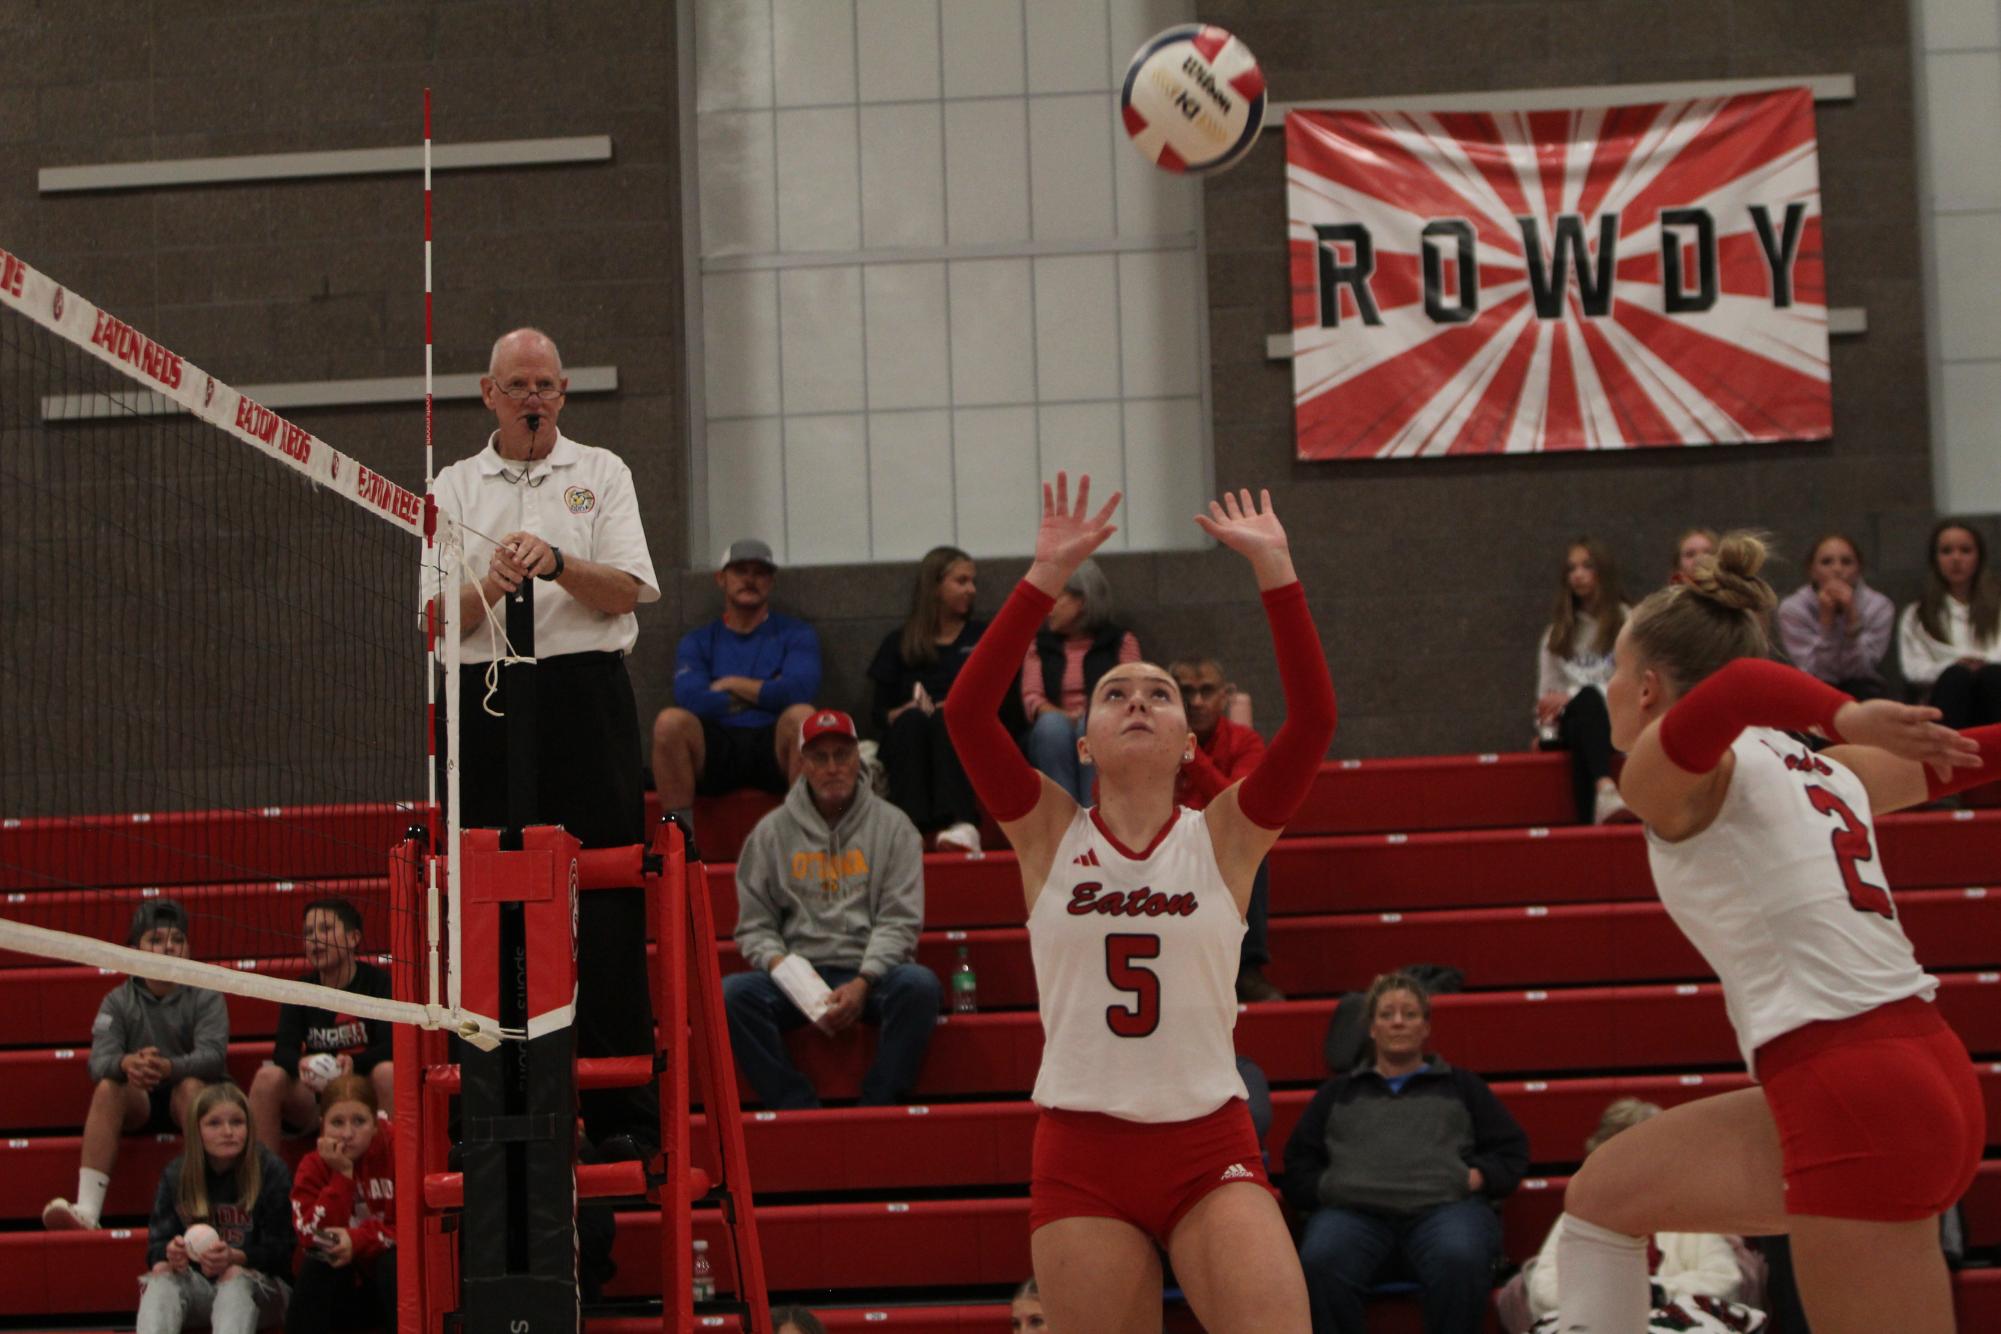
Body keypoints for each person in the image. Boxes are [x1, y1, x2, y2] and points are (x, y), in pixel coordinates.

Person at [1553, 532, 1996, 1334]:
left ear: (1648, 689)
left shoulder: (1664, 773)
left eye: (1616, 670)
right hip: (1913, 1070)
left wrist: (1845, 709)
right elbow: (1963, 756)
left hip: (1851, 1083)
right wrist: (1842, 725)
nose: (1608, 689)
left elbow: (1738, 687)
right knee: (1603, 1196)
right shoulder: (1821, 767)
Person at [943, 474, 1338, 1332]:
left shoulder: (1225, 836)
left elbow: (1311, 723)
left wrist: (1276, 568)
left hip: (1208, 1143)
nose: (1136, 702)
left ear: (1187, 739)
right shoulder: (1048, 833)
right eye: (1115, 693)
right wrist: (1042, 575)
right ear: (1082, 739)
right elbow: (969, 715)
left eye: (1157, 694)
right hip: (1081, 1151)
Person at [432, 325, 662, 1151]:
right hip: (488, 697)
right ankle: (491, 1108)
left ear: (563, 394)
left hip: (582, 698)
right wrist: (484, 584)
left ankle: (621, 1116)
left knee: (602, 897)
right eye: (518, 385)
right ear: (488, 394)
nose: (534, 398)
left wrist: (559, 563)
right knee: (490, 898)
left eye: (547, 386)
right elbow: (431, 617)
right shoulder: (453, 485)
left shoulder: (601, 473)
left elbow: (631, 591)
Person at [1281, 971, 1530, 1334]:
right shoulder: (1337, 1094)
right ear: (1371, 1028)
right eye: (1387, 1014)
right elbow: (1298, 1165)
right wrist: (1329, 1187)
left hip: (1444, 1212)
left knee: (1460, 1258)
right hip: (1354, 1216)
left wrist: (1475, 1177)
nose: (1398, 1021)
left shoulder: (1462, 1086)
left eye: (1410, 1014)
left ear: (1426, 1027)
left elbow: (1511, 1151)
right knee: (1321, 1260)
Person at [723, 709, 940, 1108]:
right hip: (796, 976)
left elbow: (900, 919)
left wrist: (863, 982)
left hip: (871, 975)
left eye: (842, 755)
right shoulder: (770, 833)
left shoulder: (895, 828)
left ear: (859, 758)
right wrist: (788, 973)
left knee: (920, 986)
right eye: (820, 758)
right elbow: (755, 927)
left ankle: (879, 1103)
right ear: (802, 764)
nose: (833, 767)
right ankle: (795, 1104)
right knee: (732, 995)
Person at [44, 900, 229, 1232]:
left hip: (185, 1096)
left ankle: (204, 1207)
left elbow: (214, 1057)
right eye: (156, 939)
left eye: (176, 939)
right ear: (134, 949)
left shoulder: (205, 994)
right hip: (139, 1098)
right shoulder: (117, 1000)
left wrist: (168, 1067)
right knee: (108, 1087)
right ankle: (87, 1210)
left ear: (187, 948)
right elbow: (98, 1062)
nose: (168, 947)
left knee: (193, 1089)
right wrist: (127, 1062)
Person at [1522, 1099, 1756, 1332]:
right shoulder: (1579, 1215)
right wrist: (1616, 1297)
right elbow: (1544, 1290)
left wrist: (1657, 1291)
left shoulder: (1691, 1210)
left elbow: (1724, 1280)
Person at [653, 538, 822, 833]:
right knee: (669, 723)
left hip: (774, 745)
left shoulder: (797, 634)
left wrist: (729, 683)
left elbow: (798, 692)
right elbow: (691, 699)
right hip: (717, 747)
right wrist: (767, 690)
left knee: (802, 716)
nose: (749, 579)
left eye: (759, 572)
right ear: (721, 579)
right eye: (740, 571)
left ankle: (801, 837)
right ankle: (680, 842)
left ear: (770, 580)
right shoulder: (697, 640)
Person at [868, 545, 1004, 853]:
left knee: (947, 717)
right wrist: (899, 711)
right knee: (912, 720)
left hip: (966, 732)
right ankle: (909, 827)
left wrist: (960, 709)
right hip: (911, 733)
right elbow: (878, 712)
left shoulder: (982, 637)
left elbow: (1003, 700)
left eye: (973, 581)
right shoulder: (900, 641)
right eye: (961, 581)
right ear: (935, 586)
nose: (971, 590)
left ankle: (962, 823)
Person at [138, 1083, 294, 1334]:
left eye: (237, 1122)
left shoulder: (269, 1170)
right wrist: (171, 1253)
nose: (228, 1131)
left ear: (249, 1127)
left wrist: (237, 1257)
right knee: (160, 1278)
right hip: (200, 1287)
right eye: (214, 1123)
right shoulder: (177, 1174)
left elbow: (283, 1251)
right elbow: (156, 1247)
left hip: (262, 1291)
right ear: (196, 1130)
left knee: (234, 1277)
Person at [1170, 657, 1282, 1003]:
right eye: (1187, 692)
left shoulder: (1245, 741)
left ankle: (1246, 968)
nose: (1197, 701)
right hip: (1165, 841)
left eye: (1206, 691)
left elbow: (1239, 810)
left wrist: (1188, 754)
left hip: (1221, 842)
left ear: (1225, 696)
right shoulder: (1148, 738)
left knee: (1253, 848)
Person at [248, 899, 392, 1152]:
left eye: (325, 929)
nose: (315, 939)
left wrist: (354, 1064)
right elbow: (283, 1051)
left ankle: (393, 1176)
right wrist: (299, 1063)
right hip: (315, 1096)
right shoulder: (301, 989)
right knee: (268, 1078)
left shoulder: (378, 983)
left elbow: (391, 1047)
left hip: (362, 1090)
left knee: (387, 1072)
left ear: (353, 938)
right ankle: (265, 1184)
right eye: (308, 933)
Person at [1019, 557, 1141, 804]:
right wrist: (1064, 717)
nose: (1047, 607)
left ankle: (1095, 812)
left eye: (1056, 597)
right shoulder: (1039, 645)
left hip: (1105, 725)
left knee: (1092, 725)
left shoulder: (1120, 642)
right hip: (1054, 728)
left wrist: (1091, 717)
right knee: (1051, 726)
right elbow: (1032, 699)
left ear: (1081, 601)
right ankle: (1065, 817)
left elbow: (1133, 693)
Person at [286, 1075, 396, 1334]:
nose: (347, 1134)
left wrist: (356, 1240)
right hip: (342, 1290)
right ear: (323, 1126)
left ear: (375, 1124)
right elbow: (309, 1237)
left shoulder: (399, 1151)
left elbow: (412, 1230)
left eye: (359, 1121)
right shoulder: (313, 1166)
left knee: (393, 1263)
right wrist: (342, 1176)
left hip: (386, 1281)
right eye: (337, 1122)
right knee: (320, 1258)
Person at [1535, 538, 1632, 823]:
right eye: (1571, 568)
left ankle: (1588, 820)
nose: (1577, 574)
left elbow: (1634, 686)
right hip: (1573, 722)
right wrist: (1544, 720)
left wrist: (1573, 695)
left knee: (1587, 702)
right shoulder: (1556, 633)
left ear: (1603, 571)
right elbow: (1546, 696)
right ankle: (1604, 789)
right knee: (1581, 717)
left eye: (1586, 566)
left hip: (1618, 718)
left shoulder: (1628, 621)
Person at [1897, 519, 2001, 731]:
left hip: (1994, 689)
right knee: (1957, 678)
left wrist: (1981, 664)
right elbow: (1914, 669)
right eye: (1946, 551)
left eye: (1965, 550)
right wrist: (1955, 665)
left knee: (1992, 676)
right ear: (1935, 559)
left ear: (1978, 556)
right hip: (1945, 697)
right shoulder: (1917, 614)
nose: (1956, 559)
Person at [1776, 534, 1894, 701]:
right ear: (1812, 570)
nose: (1837, 570)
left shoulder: (1879, 606)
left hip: (1863, 689)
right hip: (1814, 689)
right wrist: (1827, 624)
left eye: (1846, 562)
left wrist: (1852, 621)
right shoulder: (1793, 609)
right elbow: (1816, 672)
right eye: (1826, 562)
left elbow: (1863, 670)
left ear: (1859, 569)